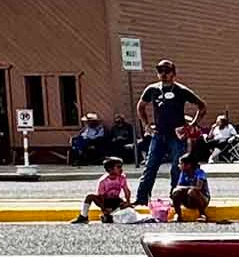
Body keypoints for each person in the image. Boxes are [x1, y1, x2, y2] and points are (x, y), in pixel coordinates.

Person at [135, 59, 204, 206]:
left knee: (177, 168)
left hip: (177, 135)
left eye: (167, 71)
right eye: (160, 71)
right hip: (159, 134)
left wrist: (192, 124)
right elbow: (140, 106)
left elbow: (202, 106)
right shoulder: (152, 90)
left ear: (173, 73)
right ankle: (141, 199)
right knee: (150, 166)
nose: (163, 74)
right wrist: (146, 125)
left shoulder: (180, 90)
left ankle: (176, 198)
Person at [70, 157, 131, 224]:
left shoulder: (122, 178)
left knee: (125, 205)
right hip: (105, 201)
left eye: (121, 167)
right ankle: (83, 216)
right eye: (118, 167)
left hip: (116, 200)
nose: (121, 169)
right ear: (110, 169)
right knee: (89, 197)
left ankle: (109, 216)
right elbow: (101, 196)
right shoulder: (103, 181)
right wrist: (103, 209)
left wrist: (128, 202)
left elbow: (126, 190)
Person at [170, 154, 211, 222]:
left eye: (181, 164)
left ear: (188, 165)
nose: (179, 166)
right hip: (188, 199)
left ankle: (202, 214)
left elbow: (198, 187)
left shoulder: (199, 173)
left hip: (202, 199)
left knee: (192, 192)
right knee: (175, 192)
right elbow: (179, 186)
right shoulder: (183, 173)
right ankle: (178, 215)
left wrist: (185, 188)